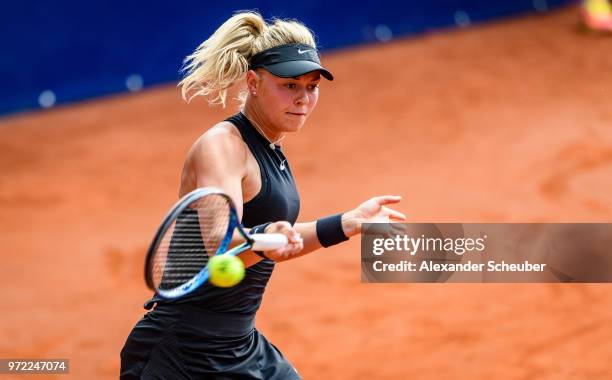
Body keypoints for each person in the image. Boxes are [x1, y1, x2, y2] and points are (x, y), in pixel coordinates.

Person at [120, 11, 406, 379]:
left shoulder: (269, 147)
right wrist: (267, 238)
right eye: (290, 86)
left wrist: (346, 223)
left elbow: (272, 242)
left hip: (239, 345)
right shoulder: (222, 148)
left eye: (312, 86)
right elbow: (220, 245)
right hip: (181, 355)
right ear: (253, 82)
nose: (303, 98)